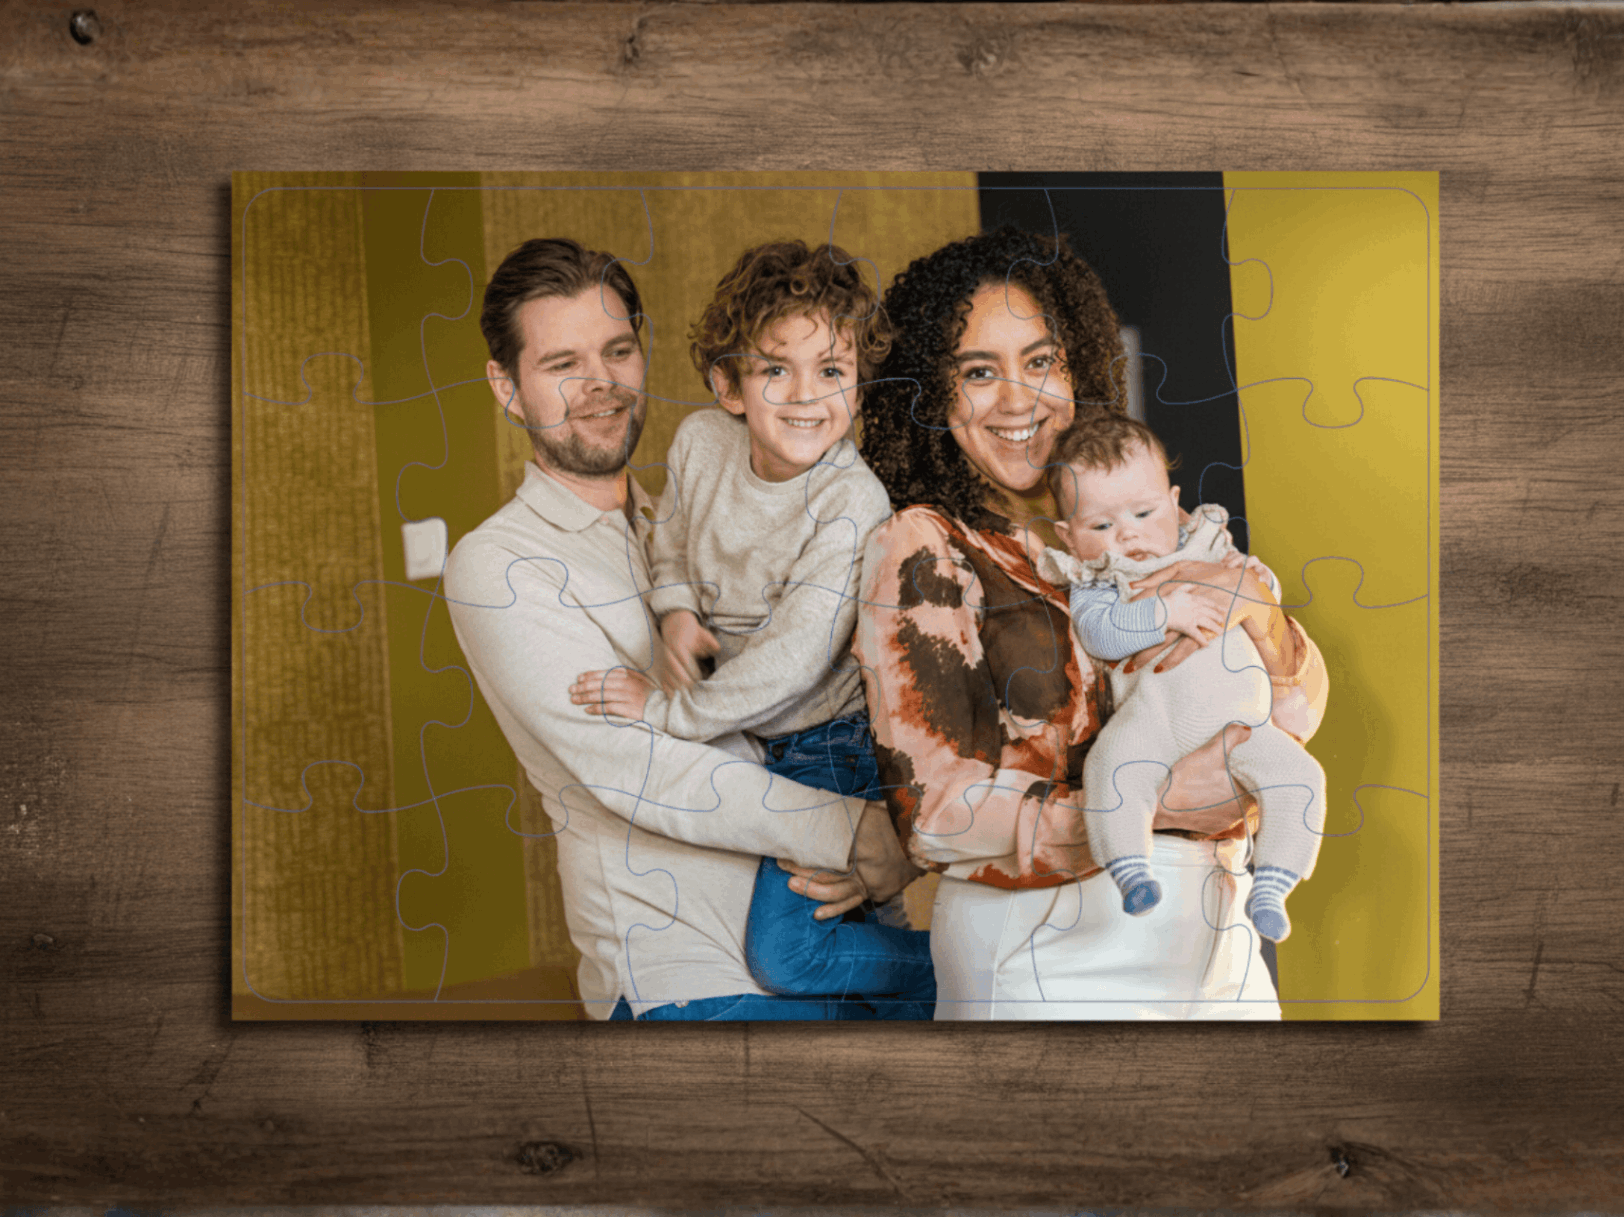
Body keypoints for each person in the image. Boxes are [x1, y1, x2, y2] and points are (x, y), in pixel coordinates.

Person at [854, 226, 1329, 1020]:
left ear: (1080, 363)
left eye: (1042, 361)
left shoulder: (1142, 517)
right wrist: (1161, 803)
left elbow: (1298, 712)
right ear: (931, 394)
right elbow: (939, 818)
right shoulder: (925, 544)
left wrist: (1262, 617)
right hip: (1044, 952)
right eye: (979, 372)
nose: (1018, 399)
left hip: (1220, 940)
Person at [444, 237, 914, 1021]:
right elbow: (643, 769)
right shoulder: (498, 563)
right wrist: (866, 830)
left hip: (847, 933)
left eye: (618, 350)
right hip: (695, 979)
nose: (600, 385)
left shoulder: (683, 517)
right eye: (562, 364)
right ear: (507, 385)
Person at [1036, 414, 1327, 942]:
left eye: (1145, 512)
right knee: (1113, 769)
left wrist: (1257, 583)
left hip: (1244, 723)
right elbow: (1099, 634)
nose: (1128, 533)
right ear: (1069, 537)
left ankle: (1274, 884)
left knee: (1302, 779)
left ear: (1174, 503)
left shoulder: (1206, 544)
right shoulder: (1098, 577)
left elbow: (1260, 592)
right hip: (1154, 722)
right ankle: (1130, 868)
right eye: (1100, 526)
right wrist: (1164, 614)